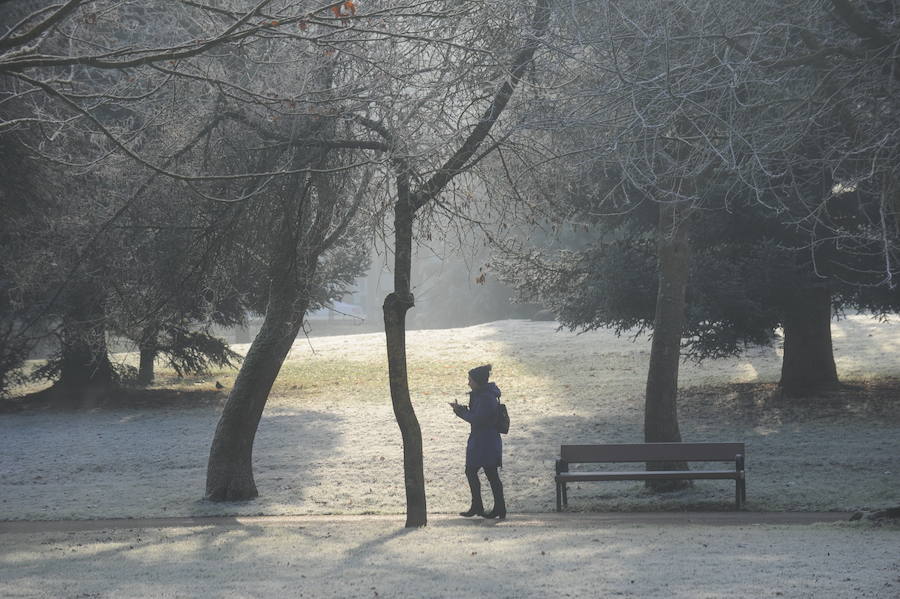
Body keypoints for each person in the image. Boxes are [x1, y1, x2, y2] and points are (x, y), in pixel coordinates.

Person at [450, 364, 506, 519]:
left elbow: (477, 419)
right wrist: (461, 409)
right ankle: (494, 507)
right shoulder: (483, 395)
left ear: (478, 381)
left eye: (470, 380)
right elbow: (477, 415)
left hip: (485, 441)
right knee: (487, 473)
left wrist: (460, 411)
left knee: (482, 472)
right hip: (484, 440)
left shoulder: (485, 398)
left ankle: (485, 506)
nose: (468, 383)